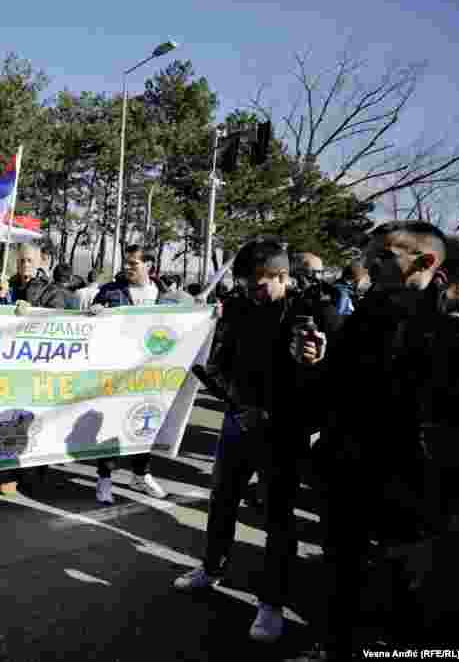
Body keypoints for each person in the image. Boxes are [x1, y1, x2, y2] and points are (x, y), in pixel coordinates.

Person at [288, 221, 452, 660]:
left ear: (424, 261)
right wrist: (316, 360)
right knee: (342, 569)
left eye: (382, 256)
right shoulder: (371, 308)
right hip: (348, 468)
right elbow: (338, 383)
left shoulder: (448, 319)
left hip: (412, 480)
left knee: (407, 587)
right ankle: (335, 646)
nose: (368, 264)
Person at [172, 236, 342, 645]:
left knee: (278, 519)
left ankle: (272, 602)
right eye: (247, 284)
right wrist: (228, 389)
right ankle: (211, 569)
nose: (253, 291)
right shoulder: (241, 305)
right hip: (237, 420)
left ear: (283, 276)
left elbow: (330, 377)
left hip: (285, 431)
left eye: (261, 283)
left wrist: (316, 361)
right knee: (222, 500)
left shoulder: (314, 311)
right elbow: (225, 360)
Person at [89, 245, 170, 501]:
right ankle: (104, 480)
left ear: (149, 265)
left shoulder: (166, 295)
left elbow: (188, 318)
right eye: (126, 262)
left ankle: (141, 474)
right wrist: (95, 312)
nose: (127, 267)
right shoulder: (110, 291)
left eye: (133, 263)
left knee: (145, 423)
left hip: (150, 374)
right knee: (110, 425)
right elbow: (90, 321)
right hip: (117, 372)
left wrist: (210, 311)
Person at [0, 243, 67, 308]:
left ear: (38, 263)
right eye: (22, 260)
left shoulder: (51, 290)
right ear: (17, 263)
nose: (25, 265)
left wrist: (30, 308)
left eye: (29, 260)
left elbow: (55, 316)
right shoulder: (8, 286)